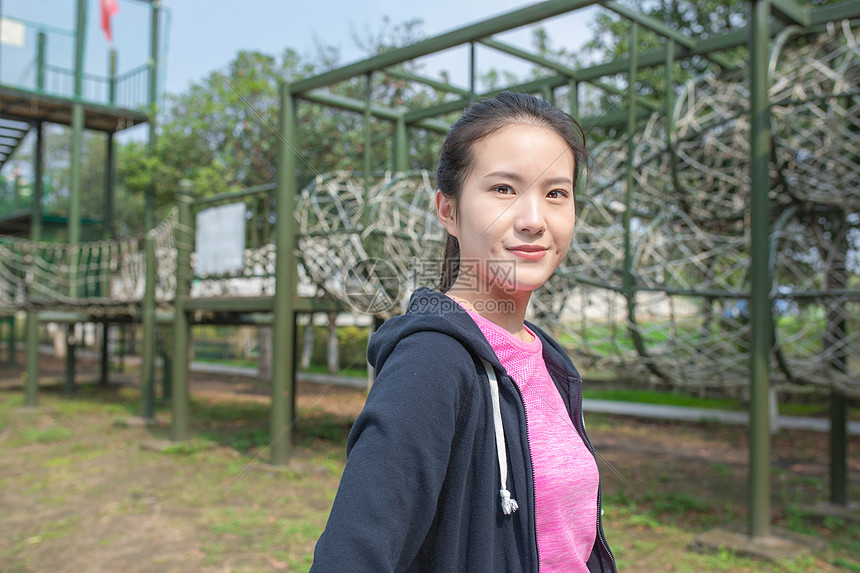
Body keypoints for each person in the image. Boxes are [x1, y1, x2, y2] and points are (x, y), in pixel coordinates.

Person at [310, 91, 616, 572]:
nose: (534, 220)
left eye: (556, 193)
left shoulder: (547, 360)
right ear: (447, 211)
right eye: (503, 189)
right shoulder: (432, 360)